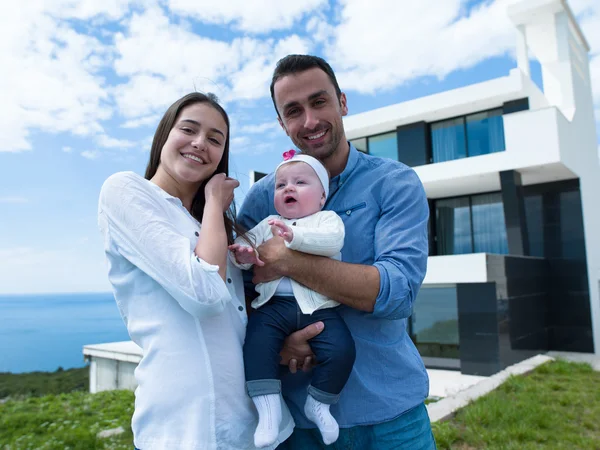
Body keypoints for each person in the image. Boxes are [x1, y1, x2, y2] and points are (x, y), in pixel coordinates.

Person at [238, 55, 437, 449]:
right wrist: (277, 343)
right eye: (293, 111)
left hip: (392, 417)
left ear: (342, 102)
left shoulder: (394, 183)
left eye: (319, 102)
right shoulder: (263, 198)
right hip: (300, 427)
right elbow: (238, 293)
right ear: (282, 123)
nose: (309, 120)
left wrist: (287, 260)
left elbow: (396, 292)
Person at [97, 92, 309, 450]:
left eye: (215, 139)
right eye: (189, 129)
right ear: (165, 134)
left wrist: (281, 342)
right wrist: (214, 201)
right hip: (185, 430)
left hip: (260, 426)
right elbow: (206, 295)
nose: (200, 143)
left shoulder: (210, 226)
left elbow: (238, 317)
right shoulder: (127, 191)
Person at [229, 151, 356, 448]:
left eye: (300, 182)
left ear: (322, 197)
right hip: (274, 307)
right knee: (257, 347)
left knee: (342, 349)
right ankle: (268, 413)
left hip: (319, 308)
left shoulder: (327, 219)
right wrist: (245, 255)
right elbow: (249, 252)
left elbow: (331, 243)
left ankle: (319, 403)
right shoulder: (270, 222)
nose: (288, 188)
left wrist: (293, 239)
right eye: (281, 184)